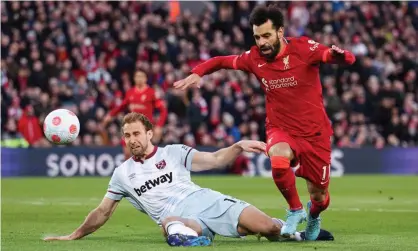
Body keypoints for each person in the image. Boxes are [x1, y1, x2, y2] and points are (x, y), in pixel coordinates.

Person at [173, 4, 356, 240]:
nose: (262, 42)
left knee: (319, 195)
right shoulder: (254, 58)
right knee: (278, 160)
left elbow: (334, 56)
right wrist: (199, 71)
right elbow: (221, 61)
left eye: (267, 35)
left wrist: (343, 56)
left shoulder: (303, 48)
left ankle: (313, 214)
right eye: (257, 37)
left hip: (315, 133)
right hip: (281, 128)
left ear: (280, 32)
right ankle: (295, 209)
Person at [43, 112, 334, 246]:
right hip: (180, 218)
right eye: (127, 135)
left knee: (269, 228)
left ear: (149, 134)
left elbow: (215, 159)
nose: (131, 140)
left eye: (136, 134)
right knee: (169, 223)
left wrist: (238, 146)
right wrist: (74, 235)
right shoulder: (122, 174)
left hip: (205, 201)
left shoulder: (174, 153)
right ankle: (190, 239)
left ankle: (299, 232)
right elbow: (103, 211)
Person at [103, 70, 168, 159]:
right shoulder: (130, 92)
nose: (139, 78)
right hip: (131, 126)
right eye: (137, 76)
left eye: (141, 76)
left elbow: (163, 110)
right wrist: (110, 115)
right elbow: (121, 106)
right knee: (127, 153)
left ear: (145, 79)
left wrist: (159, 126)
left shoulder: (151, 92)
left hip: (145, 127)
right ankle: (129, 172)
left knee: (144, 154)